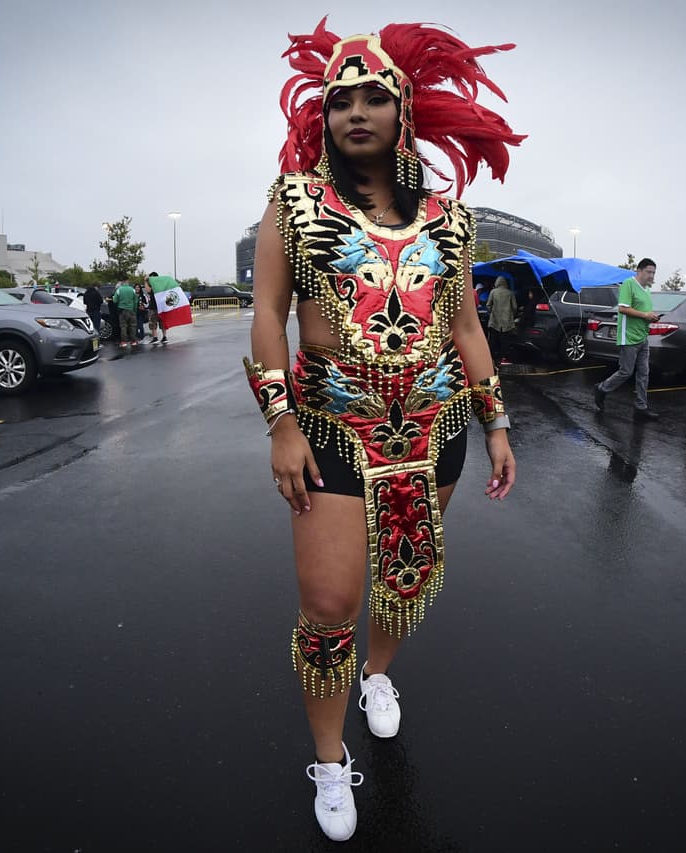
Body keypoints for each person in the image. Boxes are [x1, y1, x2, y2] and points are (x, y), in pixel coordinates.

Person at [245, 20, 522, 842]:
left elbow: (466, 327)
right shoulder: (294, 203)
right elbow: (266, 315)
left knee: (405, 582)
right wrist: (280, 423)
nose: (356, 112)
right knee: (330, 603)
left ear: (404, 112)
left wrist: (496, 421)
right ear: (323, 117)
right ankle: (331, 760)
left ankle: (378, 675)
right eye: (340, 101)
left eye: (374, 97)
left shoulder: (450, 220)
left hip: (436, 432)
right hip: (332, 431)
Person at [594, 258, 661, 419]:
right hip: (629, 337)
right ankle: (601, 388)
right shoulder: (628, 284)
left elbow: (643, 312)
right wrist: (645, 315)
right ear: (639, 270)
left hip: (642, 337)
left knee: (644, 373)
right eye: (649, 272)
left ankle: (641, 407)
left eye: (653, 273)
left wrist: (651, 317)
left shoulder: (646, 289)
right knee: (626, 371)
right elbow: (623, 309)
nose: (651, 276)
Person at [485, 275, 517, 366]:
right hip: (507, 321)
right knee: (505, 340)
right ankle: (503, 358)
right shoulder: (510, 293)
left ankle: (491, 358)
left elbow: (488, 305)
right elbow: (514, 307)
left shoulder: (493, 292)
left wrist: (492, 312)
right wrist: (511, 315)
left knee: (493, 339)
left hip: (494, 321)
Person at [112, 280, 138, 353]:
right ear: (128, 283)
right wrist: (135, 310)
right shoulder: (132, 290)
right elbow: (135, 301)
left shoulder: (119, 290)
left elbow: (115, 301)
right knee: (132, 326)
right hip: (131, 310)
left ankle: (124, 342)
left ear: (122, 283)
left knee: (123, 326)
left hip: (122, 310)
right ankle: (133, 341)